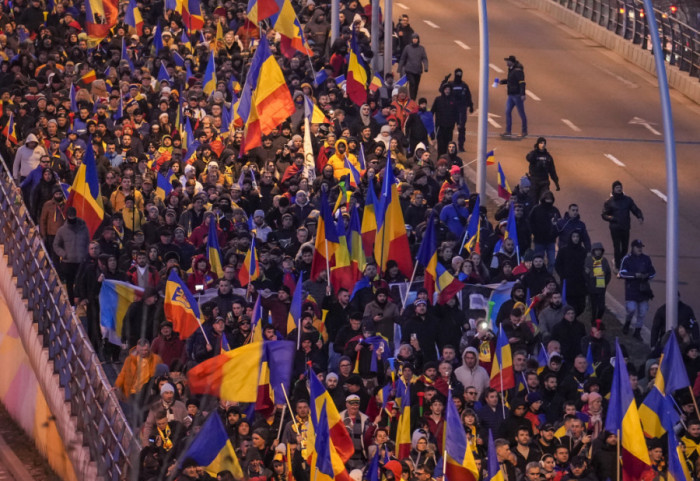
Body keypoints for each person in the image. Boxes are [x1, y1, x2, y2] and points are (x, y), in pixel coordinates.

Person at [601, 180, 644, 271]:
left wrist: (639, 216)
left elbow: (634, 209)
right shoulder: (609, 202)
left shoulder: (627, 200)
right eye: (617, 187)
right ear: (613, 189)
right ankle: (617, 266)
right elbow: (604, 215)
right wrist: (612, 218)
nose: (619, 189)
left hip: (625, 227)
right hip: (615, 228)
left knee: (625, 247)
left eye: (620, 187)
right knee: (617, 247)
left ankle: (619, 261)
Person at [619, 239, 656, 340]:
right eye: (637, 247)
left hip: (643, 291)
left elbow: (653, 272)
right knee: (631, 309)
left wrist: (647, 275)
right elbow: (622, 273)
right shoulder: (627, 259)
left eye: (641, 247)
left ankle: (637, 331)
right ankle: (627, 323)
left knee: (642, 312)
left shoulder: (646, 259)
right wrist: (635, 275)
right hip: (632, 291)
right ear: (633, 248)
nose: (640, 249)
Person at [440, 69, 474, 152]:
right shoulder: (450, 84)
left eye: (460, 74)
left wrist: (471, 105)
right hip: (451, 110)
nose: (458, 76)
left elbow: (468, 96)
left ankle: (461, 145)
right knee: (449, 128)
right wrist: (444, 81)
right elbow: (442, 90)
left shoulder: (464, 85)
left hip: (461, 110)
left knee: (461, 128)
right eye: (457, 74)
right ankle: (448, 146)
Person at [499, 55, 527, 137]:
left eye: (508, 61)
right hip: (511, 95)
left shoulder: (517, 71)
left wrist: (522, 94)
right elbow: (511, 80)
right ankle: (508, 131)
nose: (506, 63)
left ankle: (524, 131)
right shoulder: (511, 70)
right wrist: (503, 82)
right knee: (507, 111)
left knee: (521, 113)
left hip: (517, 95)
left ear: (512, 62)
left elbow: (522, 82)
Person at [525, 137, 559, 202]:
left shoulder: (548, 156)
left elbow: (552, 170)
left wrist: (556, 182)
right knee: (533, 201)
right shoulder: (534, 154)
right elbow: (528, 158)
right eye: (541, 143)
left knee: (545, 199)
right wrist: (534, 152)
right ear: (537, 144)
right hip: (534, 181)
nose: (543, 145)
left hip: (544, 181)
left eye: (544, 143)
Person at [398, 33, 429, 100]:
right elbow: (403, 58)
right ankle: (412, 98)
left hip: (418, 70)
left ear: (418, 40)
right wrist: (399, 68)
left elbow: (424, 58)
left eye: (416, 39)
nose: (415, 40)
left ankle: (413, 98)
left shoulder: (421, 48)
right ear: (411, 39)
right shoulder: (407, 48)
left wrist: (426, 67)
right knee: (412, 84)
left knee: (416, 86)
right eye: (413, 39)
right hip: (409, 70)